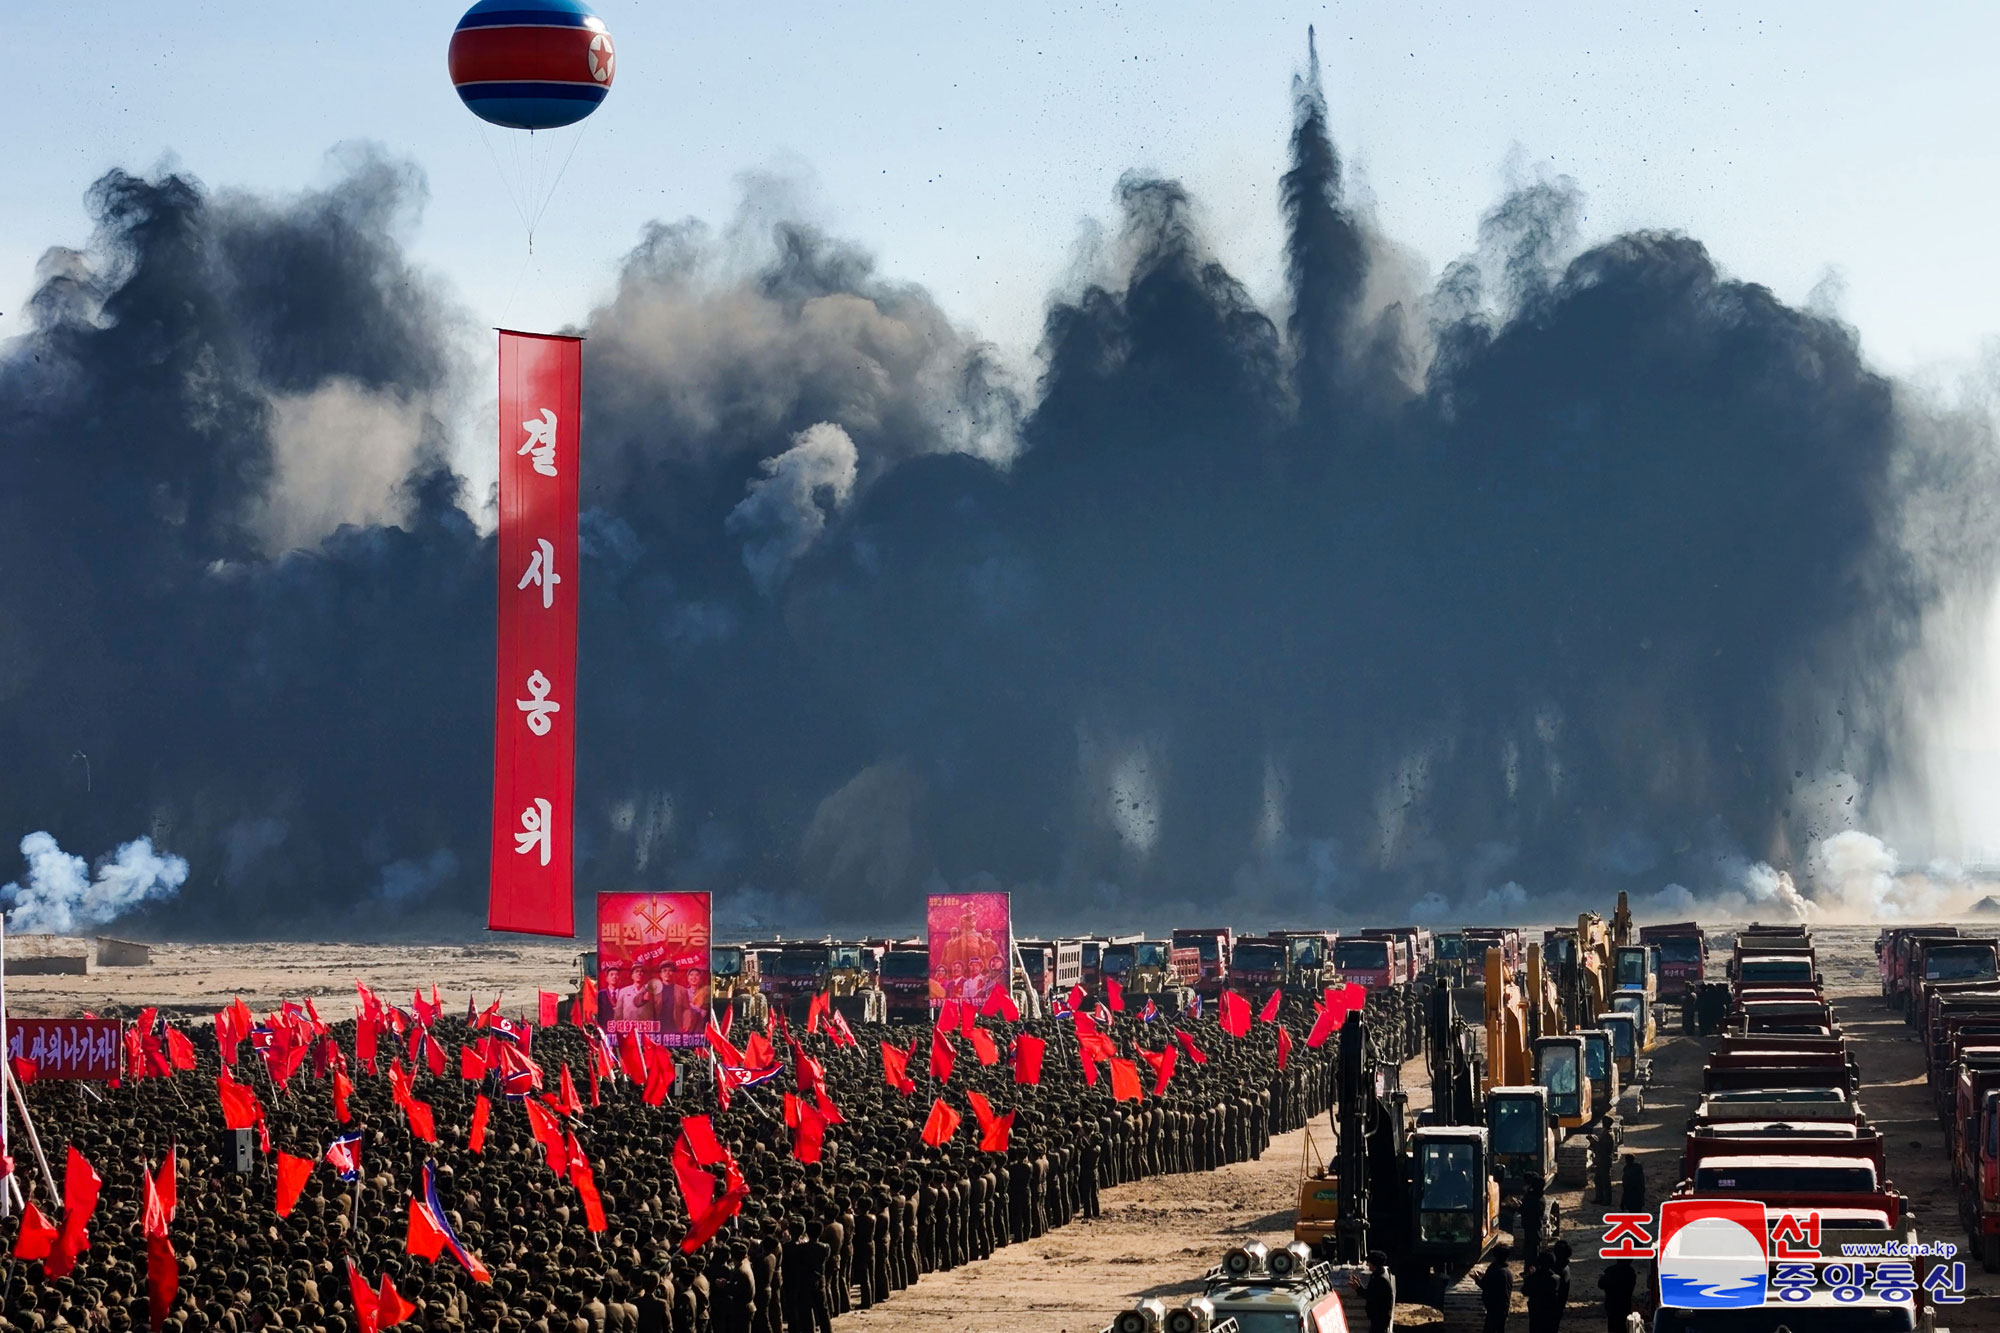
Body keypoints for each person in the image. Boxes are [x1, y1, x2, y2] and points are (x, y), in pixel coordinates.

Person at [1523, 1252, 1561, 1333]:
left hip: (1536, 1313)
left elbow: (1525, 1291)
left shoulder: (1534, 1278)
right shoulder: (1556, 1279)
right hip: (1550, 1313)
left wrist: (1529, 1277)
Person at [1479, 1246, 1512, 1333]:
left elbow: (1485, 1285)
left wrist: (1476, 1279)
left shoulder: (1494, 1269)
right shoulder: (1508, 1272)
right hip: (1504, 1307)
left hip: (1493, 1307)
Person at [1598, 1257, 1636, 1333]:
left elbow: (1601, 1284)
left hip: (1611, 1305)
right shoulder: (1630, 1272)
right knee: (1622, 1326)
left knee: (1612, 1326)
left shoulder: (1610, 1270)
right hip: (1624, 1305)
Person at [1362, 1250, 1396, 1333]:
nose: (1367, 1264)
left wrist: (1358, 1288)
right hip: (1377, 1319)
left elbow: (1370, 1296)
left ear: (1374, 1264)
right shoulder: (1377, 1275)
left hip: (1380, 1320)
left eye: (1369, 1262)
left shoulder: (1381, 1280)